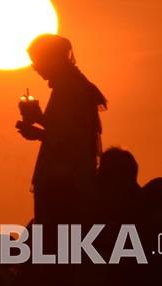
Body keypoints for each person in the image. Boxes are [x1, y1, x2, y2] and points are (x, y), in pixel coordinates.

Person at [15, 34, 107, 226]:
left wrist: (37, 132)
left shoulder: (68, 87)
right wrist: (40, 119)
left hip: (64, 179)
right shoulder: (75, 84)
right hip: (71, 175)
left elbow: (70, 138)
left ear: (51, 58)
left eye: (37, 60)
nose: (35, 67)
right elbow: (63, 128)